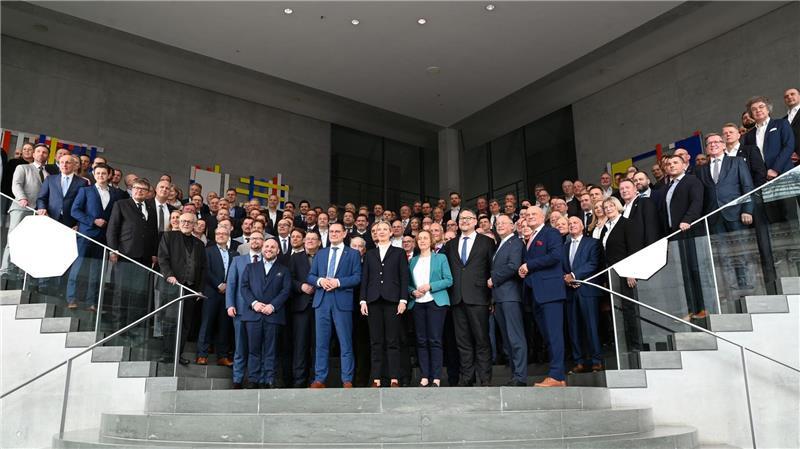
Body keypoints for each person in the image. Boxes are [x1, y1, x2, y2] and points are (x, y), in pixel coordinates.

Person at [442, 209, 495, 386]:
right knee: (462, 342)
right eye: (461, 218)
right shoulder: (450, 245)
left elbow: (492, 269)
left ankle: (485, 378)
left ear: (475, 222)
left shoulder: (487, 242)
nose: (464, 221)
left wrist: (491, 298)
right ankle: (467, 378)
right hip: (456, 299)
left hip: (479, 297)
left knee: (481, 339)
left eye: (468, 218)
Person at [307, 222, 362, 388]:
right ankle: (320, 379)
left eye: (338, 231)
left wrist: (338, 282)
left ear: (345, 234)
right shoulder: (321, 253)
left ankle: (347, 380)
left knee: (345, 341)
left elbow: (357, 277)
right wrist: (320, 280)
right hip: (322, 301)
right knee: (321, 343)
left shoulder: (352, 254)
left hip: (341, 301)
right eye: (331, 231)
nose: (334, 234)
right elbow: (310, 276)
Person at [697, 133, 754, 290]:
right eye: (709, 143)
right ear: (707, 149)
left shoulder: (736, 162)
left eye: (717, 142)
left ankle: (747, 286)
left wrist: (747, 209)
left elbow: (747, 186)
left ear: (723, 145)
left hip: (736, 214)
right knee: (723, 255)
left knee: (741, 251)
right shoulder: (700, 170)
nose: (713, 144)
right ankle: (732, 289)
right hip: (713, 218)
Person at [518, 206, 567, 387]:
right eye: (527, 214)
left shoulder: (550, 233)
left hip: (550, 292)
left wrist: (529, 265)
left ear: (543, 217)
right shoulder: (530, 237)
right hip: (536, 294)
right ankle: (557, 375)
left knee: (554, 335)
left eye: (533, 214)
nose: (529, 217)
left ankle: (557, 375)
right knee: (547, 336)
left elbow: (555, 256)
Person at [66, 163, 124, 310]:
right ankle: (71, 298)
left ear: (109, 175)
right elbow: (75, 211)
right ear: (94, 174)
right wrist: (92, 221)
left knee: (97, 271)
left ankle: (92, 302)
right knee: (78, 268)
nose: (101, 176)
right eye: (98, 173)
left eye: (104, 173)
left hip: (104, 238)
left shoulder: (117, 195)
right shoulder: (85, 190)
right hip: (86, 235)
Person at [359, 221, 409, 388]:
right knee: (376, 341)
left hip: (393, 301)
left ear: (390, 232)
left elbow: (404, 277)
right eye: (378, 230)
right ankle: (376, 378)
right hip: (373, 301)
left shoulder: (399, 253)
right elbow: (365, 278)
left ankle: (394, 378)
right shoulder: (370, 254)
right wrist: (362, 300)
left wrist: (403, 300)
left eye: (384, 229)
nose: (381, 232)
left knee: (393, 341)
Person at [241, 237, 291, 388]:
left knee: (271, 350)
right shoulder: (250, 267)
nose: (269, 249)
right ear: (262, 248)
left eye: (272, 247)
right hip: (253, 315)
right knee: (253, 350)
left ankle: (269, 379)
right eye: (266, 246)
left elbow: (286, 291)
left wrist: (273, 306)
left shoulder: (284, 270)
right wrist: (254, 303)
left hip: (273, 316)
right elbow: (244, 288)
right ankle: (253, 379)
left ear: (278, 251)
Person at [157, 212, 206, 364]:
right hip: (172, 286)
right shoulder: (169, 236)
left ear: (194, 225)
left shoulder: (199, 244)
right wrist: (169, 275)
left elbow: (203, 269)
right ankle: (167, 354)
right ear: (178, 222)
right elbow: (162, 258)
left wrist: (199, 289)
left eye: (189, 222)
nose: (185, 224)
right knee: (170, 321)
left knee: (185, 324)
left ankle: (178, 354)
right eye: (183, 221)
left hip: (189, 289)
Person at [660, 154, 705, 319]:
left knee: (695, 269)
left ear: (684, 164)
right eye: (669, 164)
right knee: (683, 273)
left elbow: (697, 202)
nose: (671, 166)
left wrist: (687, 220)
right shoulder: (666, 187)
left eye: (675, 163)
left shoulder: (692, 180)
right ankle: (691, 309)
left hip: (690, 231)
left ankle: (702, 308)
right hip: (674, 235)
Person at [408, 230, 453, 387]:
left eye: (425, 238)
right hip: (418, 304)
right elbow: (408, 284)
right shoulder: (413, 261)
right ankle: (424, 376)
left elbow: (449, 280)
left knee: (435, 340)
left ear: (431, 241)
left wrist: (430, 286)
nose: (422, 241)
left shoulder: (440, 258)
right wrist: (412, 291)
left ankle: (436, 378)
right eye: (419, 238)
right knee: (421, 341)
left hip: (436, 303)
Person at [489, 214, 527, 386]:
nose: (500, 225)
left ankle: (520, 376)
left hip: (510, 296)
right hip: (499, 298)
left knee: (515, 337)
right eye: (498, 223)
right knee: (507, 339)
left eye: (504, 223)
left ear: (513, 226)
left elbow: (513, 266)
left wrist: (493, 279)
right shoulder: (499, 245)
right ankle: (514, 375)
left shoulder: (516, 243)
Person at [562, 217, 604, 373]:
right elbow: (561, 267)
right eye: (570, 224)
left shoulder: (592, 243)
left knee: (591, 326)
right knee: (574, 328)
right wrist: (566, 279)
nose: (572, 225)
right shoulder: (564, 247)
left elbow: (593, 263)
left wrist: (574, 275)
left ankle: (596, 360)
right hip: (570, 292)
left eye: (575, 223)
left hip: (588, 290)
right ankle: (579, 361)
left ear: (582, 226)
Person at [226, 231, 265, 388]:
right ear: (248, 241)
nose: (255, 241)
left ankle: (256, 379)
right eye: (253, 238)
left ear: (263, 241)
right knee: (240, 347)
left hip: (261, 311)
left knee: (258, 347)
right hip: (241, 310)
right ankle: (238, 379)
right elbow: (231, 284)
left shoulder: (267, 260)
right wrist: (230, 304)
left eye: (259, 238)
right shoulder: (238, 260)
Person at [2, 143, 48, 275]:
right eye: (38, 151)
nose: (41, 154)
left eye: (44, 152)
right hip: (21, 207)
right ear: (33, 154)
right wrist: (22, 198)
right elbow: (16, 184)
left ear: (47, 156)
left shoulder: (48, 174)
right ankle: (6, 269)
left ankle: (20, 272)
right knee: (13, 238)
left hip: (36, 212)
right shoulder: (22, 167)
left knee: (28, 242)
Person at [196, 227, 238, 367]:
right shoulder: (208, 251)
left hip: (228, 294)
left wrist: (228, 287)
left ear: (228, 236)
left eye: (223, 234)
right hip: (212, 292)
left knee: (224, 326)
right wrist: (218, 284)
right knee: (207, 323)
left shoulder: (234, 254)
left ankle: (222, 356)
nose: (220, 236)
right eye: (218, 233)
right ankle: (202, 355)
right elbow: (206, 270)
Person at [287, 231, 320, 387]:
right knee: (300, 346)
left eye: (314, 239)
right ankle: (299, 381)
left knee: (318, 345)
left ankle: (315, 380)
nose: (310, 241)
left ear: (319, 242)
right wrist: (301, 286)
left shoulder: (325, 256)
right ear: (304, 241)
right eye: (308, 239)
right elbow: (289, 279)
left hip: (320, 307)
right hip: (301, 307)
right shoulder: (294, 258)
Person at [742, 95, 795, 180]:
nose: (758, 110)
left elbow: (789, 146)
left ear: (768, 109)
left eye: (761, 107)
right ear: (751, 114)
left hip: (784, 173)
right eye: (754, 109)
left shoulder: (781, 124)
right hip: (762, 179)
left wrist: (775, 169)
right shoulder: (748, 135)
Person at [36, 154, 89, 228]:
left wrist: (78, 224)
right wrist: (42, 208)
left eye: (68, 162)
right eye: (62, 162)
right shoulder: (50, 179)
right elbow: (41, 198)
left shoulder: (83, 182)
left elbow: (85, 205)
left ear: (74, 165)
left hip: (70, 222)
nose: (64, 165)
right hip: (49, 217)